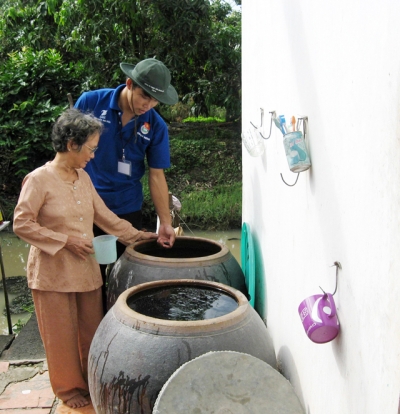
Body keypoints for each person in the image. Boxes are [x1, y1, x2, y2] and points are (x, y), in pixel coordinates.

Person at [13, 108, 158, 409]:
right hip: (52, 272)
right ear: (71, 144)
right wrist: (65, 241)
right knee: (60, 336)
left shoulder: (82, 178)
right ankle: (68, 390)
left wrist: (137, 235)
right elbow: (22, 224)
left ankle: (92, 380)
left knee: (92, 332)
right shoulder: (39, 180)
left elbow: (104, 216)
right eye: (90, 149)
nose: (92, 156)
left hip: (85, 269)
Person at [74, 58, 179, 306]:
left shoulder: (155, 125)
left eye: (156, 100)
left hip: (127, 210)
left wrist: (165, 222)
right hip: (86, 207)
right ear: (129, 83)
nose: (149, 105)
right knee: (89, 279)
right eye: (145, 96)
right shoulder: (90, 103)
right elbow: (66, 152)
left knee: (128, 279)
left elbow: (156, 175)